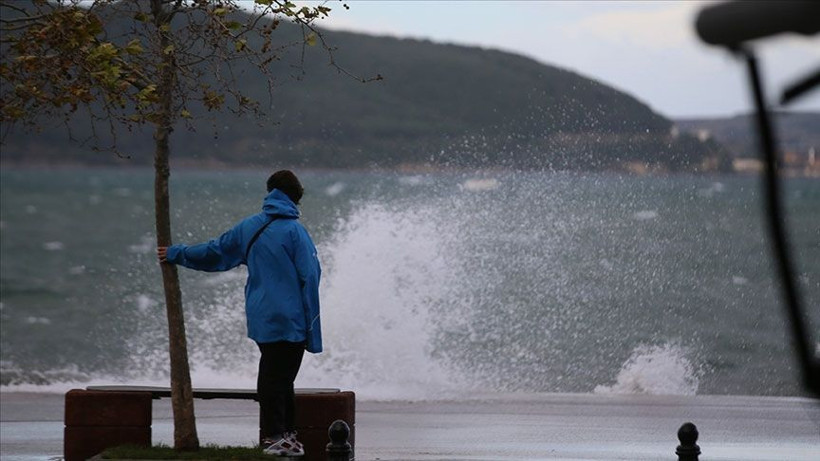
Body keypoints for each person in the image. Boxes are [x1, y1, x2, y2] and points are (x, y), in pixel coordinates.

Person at [157, 170, 321, 457]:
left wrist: (177, 253)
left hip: (261, 314)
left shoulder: (250, 226)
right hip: (290, 317)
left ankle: (285, 436)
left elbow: (215, 252)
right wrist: (313, 326)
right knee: (278, 377)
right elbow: (311, 276)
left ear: (270, 192)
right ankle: (276, 437)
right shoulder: (295, 232)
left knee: (277, 375)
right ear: (295, 197)